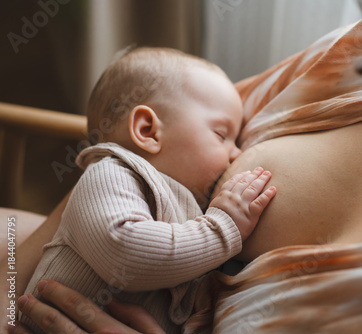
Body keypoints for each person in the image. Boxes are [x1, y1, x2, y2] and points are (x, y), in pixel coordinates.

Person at [7, 0, 362, 331]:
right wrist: (8, 306)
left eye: (230, 137)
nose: (236, 150)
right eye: (225, 137)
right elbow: (141, 167)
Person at [17, 47, 277, 333]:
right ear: (148, 131)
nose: (236, 153)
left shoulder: (182, 199)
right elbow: (124, 252)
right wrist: (223, 227)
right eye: (221, 134)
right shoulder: (110, 173)